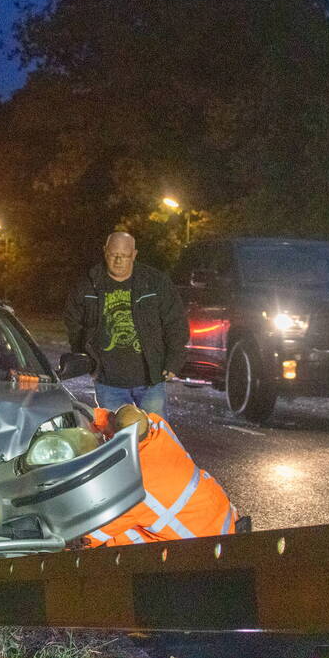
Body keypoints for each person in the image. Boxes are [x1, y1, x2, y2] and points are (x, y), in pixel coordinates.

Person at [64, 231, 188, 417]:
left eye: (125, 255)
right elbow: (73, 322)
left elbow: (175, 322)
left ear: (134, 254)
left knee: (154, 436)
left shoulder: (155, 282)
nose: (119, 260)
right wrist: (86, 359)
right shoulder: (88, 285)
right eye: (114, 255)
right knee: (116, 438)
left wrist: (174, 361)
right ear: (105, 251)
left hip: (150, 380)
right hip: (108, 382)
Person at [86, 404, 244, 547]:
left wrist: (68, 543)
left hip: (205, 548)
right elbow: (132, 421)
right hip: (222, 519)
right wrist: (95, 416)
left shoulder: (135, 486)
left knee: (114, 543)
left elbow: (91, 535)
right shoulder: (159, 430)